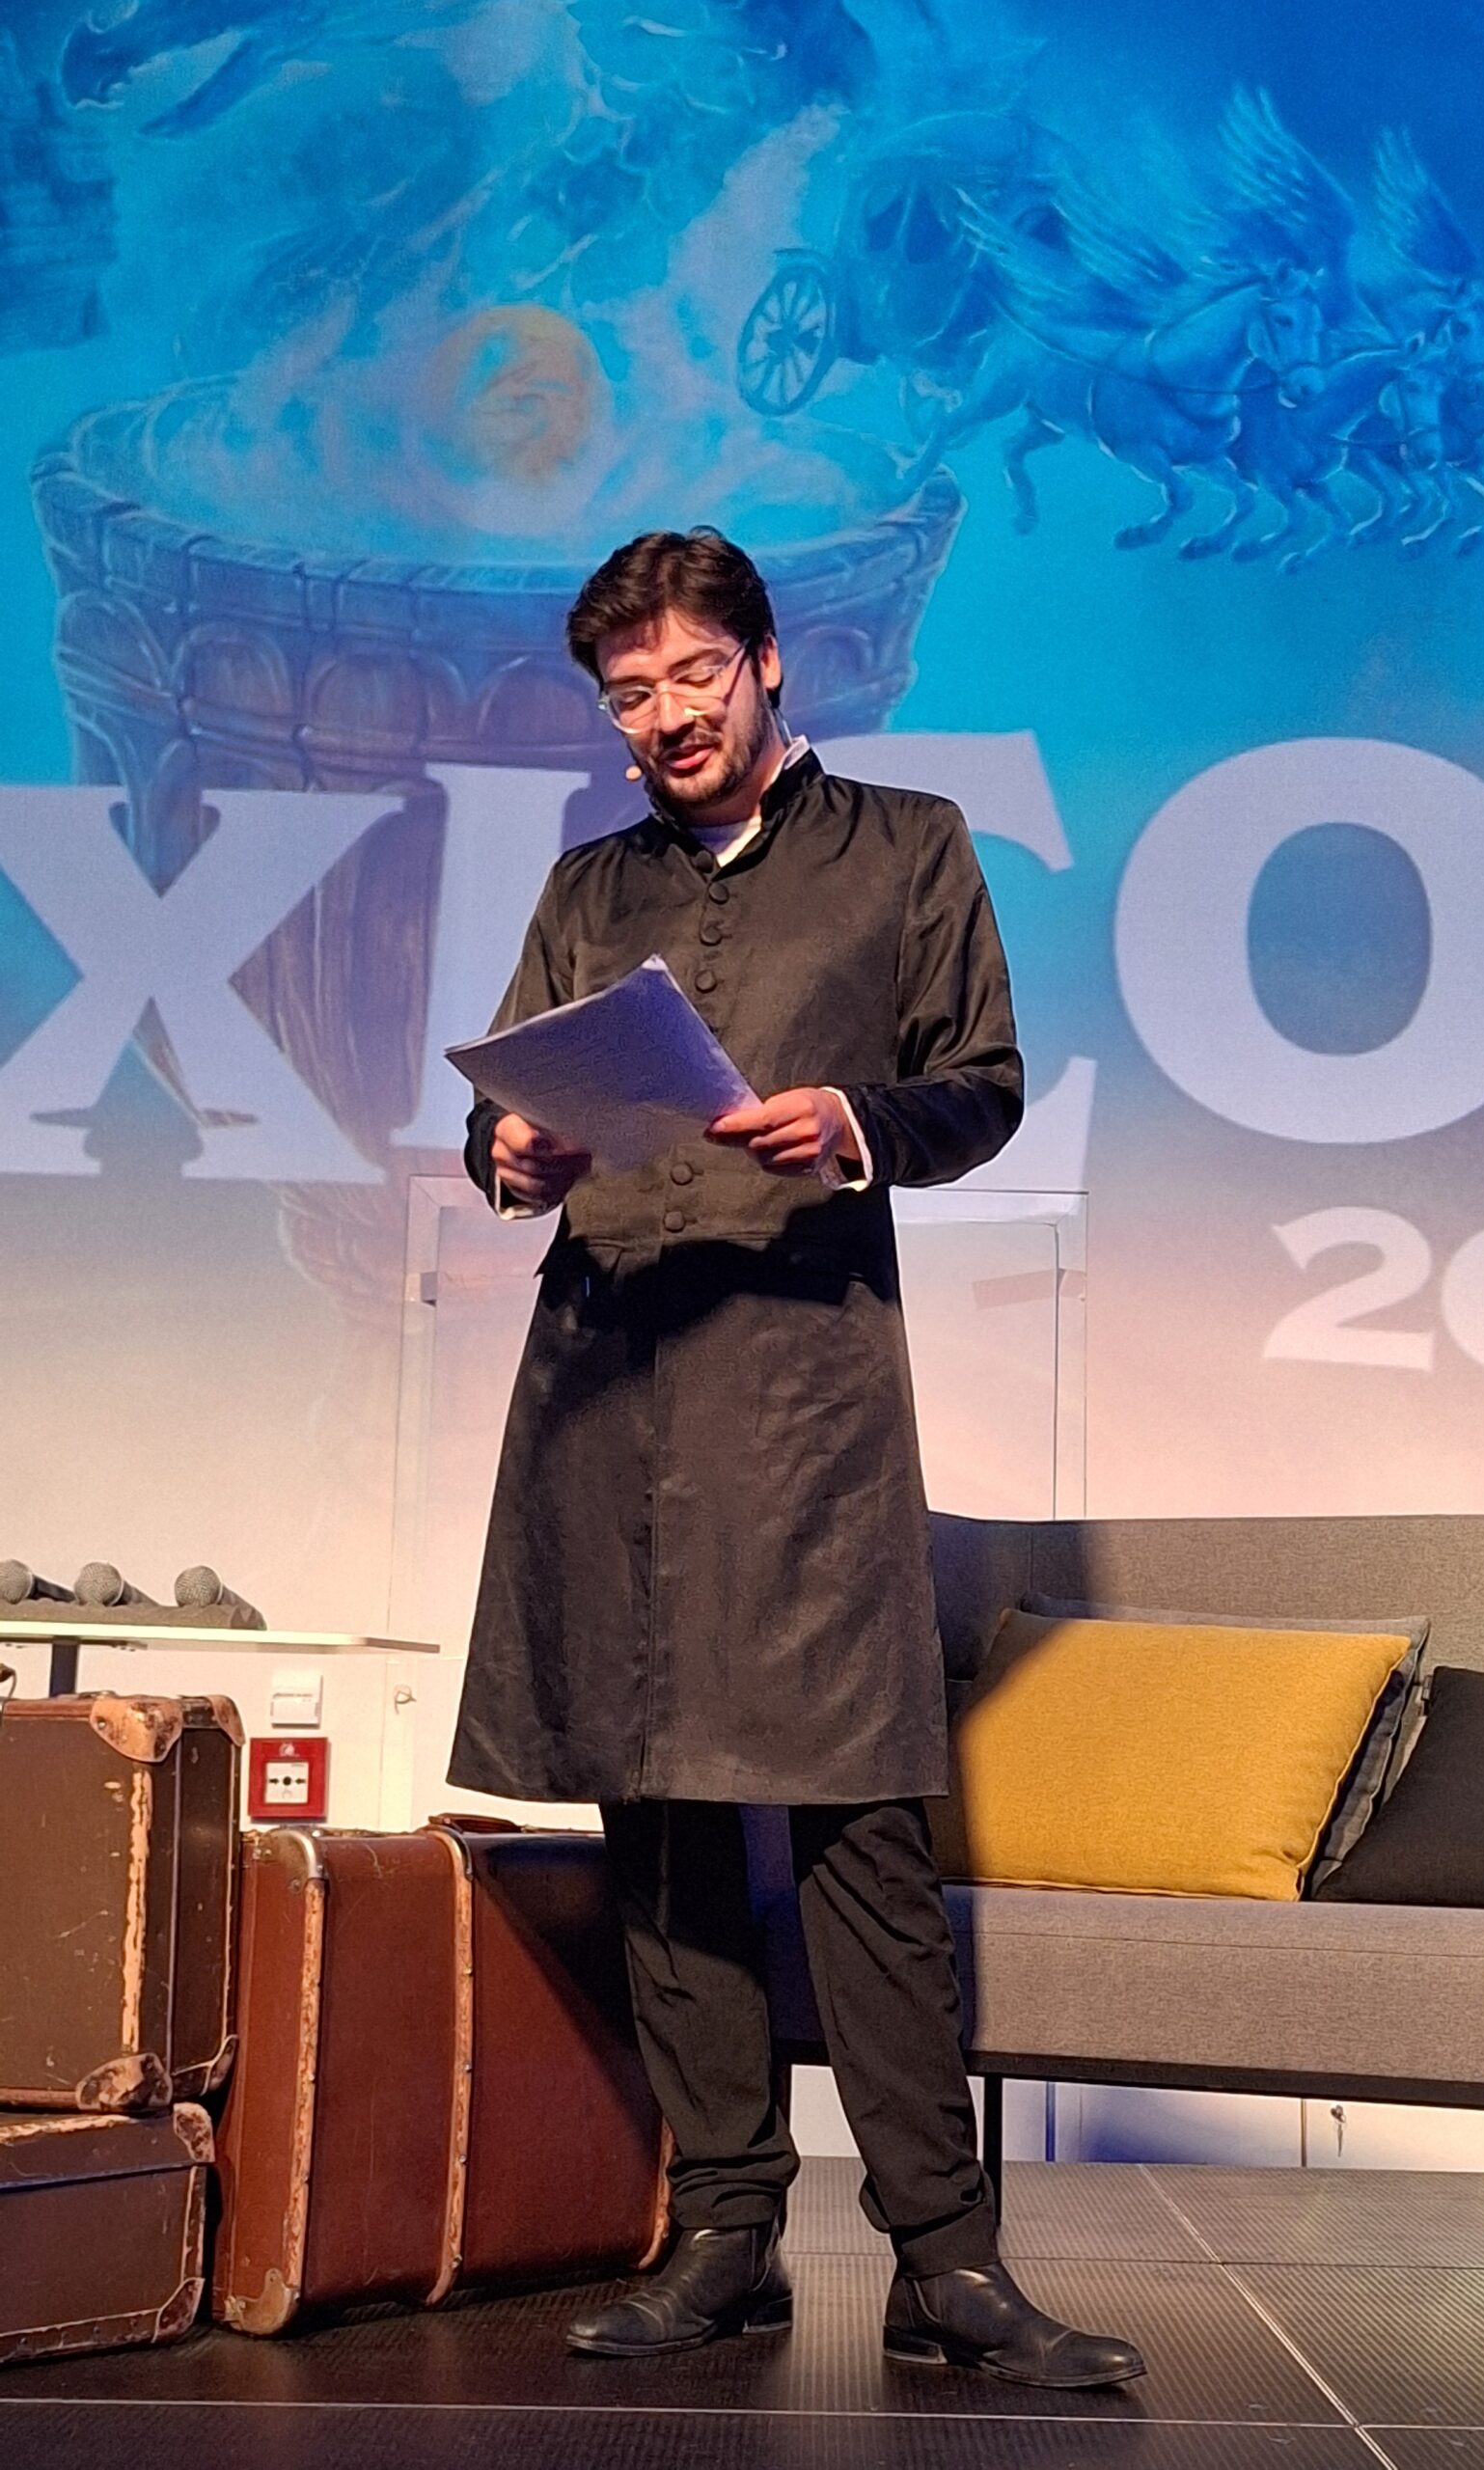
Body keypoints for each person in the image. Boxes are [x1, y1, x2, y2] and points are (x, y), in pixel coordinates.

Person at [449, 528, 1143, 2389]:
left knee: (859, 1826)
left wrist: (851, 1120)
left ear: (768, 667)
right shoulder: (592, 882)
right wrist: (507, 1155)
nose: (665, 718)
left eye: (693, 677)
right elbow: (504, 1118)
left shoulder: (908, 845)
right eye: (631, 696)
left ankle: (945, 2261)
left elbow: (981, 1089)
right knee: (660, 1819)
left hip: (806, 1393)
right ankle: (726, 2235)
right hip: (608, 1386)